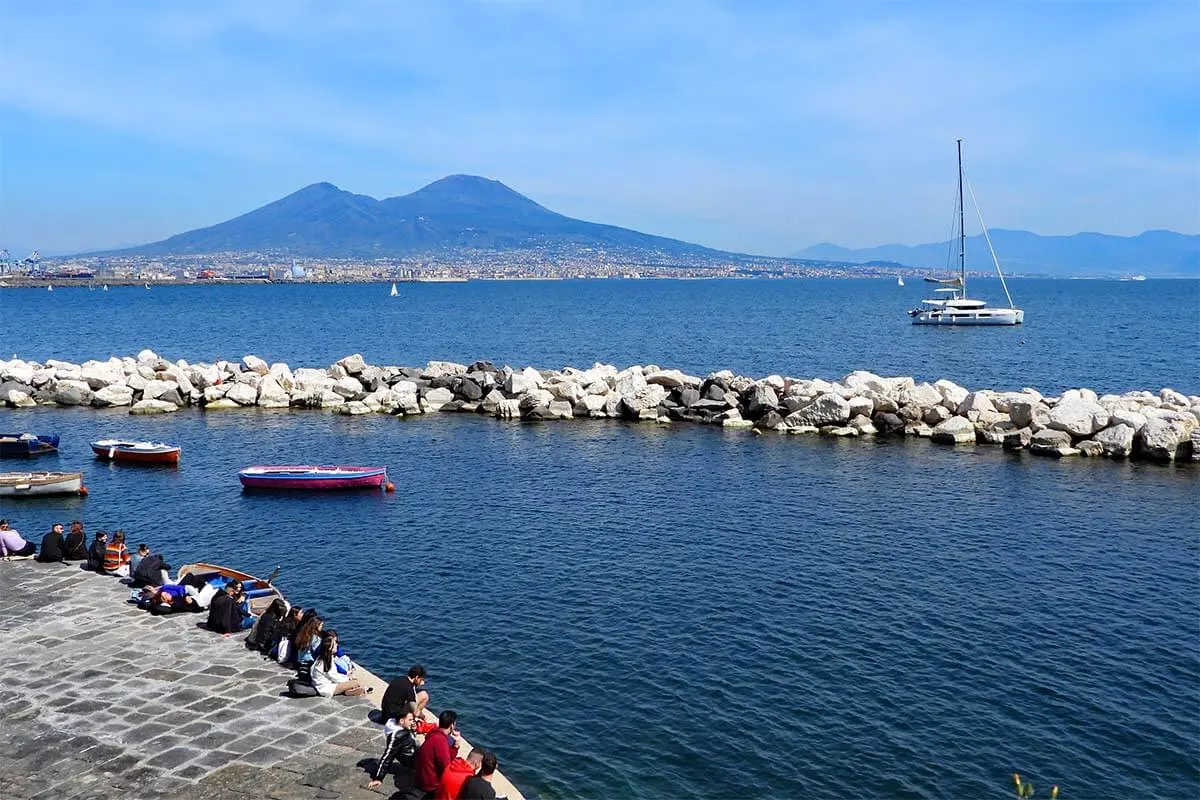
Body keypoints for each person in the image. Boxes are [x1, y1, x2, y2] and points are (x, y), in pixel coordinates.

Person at [366, 703, 419, 790]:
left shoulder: (402, 729)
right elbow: (387, 756)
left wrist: (413, 730)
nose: (412, 722)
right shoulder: (396, 736)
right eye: (410, 720)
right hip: (412, 760)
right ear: (401, 721)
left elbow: (410, 740)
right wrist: (378, 778)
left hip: (414, 753)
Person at [411, 710, 459, 799]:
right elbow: (446, 768)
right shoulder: (441, 741)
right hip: (429, 786)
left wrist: (455, 747)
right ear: (452, 725)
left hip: (419, 778)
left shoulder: (434, 733)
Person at [309, 630, 367, 697]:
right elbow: (335, 677)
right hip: (326, 688)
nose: (337, 645)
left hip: (323, 685)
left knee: (350, 682)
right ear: (330, 648)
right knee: (356, 682)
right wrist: (348, 678)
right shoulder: (326, 662)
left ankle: (350, 691)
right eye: (335, 644)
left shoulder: (321, 658)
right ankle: (353, 690)